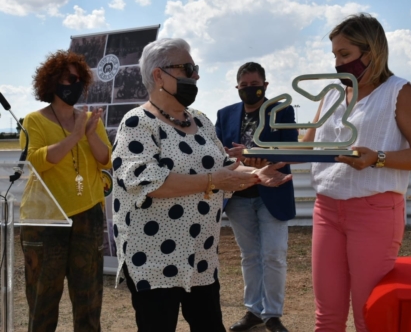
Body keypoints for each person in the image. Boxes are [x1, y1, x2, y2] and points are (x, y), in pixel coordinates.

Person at [111, 39, 292, 332]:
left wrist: (256, 174)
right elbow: (145, 180)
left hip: (200, 256)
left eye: (195, 68)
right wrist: (211, 181)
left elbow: (224, 167)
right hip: (154, 258)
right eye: (188, 68)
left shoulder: (201, 121)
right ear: (159, 75)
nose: (196, 75)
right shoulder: (137, 123)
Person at [303, 14, 411, 332]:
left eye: (345, 54)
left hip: (375, 211)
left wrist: (377, 158)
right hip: (327, 209)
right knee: (327, 316)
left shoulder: (399, 92)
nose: (337, 62)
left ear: (372, 51)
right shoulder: (333, 95)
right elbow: (307, 145)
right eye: (335, 55)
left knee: (370, 315)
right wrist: (265, 157)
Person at [20, 50, 112, 332]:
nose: (73, 84)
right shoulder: (34, 120)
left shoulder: (88, 120)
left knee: (88, 299)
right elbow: (38, 160)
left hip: (89, 216)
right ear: (51, 82)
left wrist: (91, 134)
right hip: (46, 220)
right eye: (67, 78)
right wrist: (75, 136)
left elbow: (105, 159)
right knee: (43, 299)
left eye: (78, 79)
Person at [215, 62, 298, 332]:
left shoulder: (282, 111)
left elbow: (291, 148)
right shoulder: (225, 114)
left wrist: (253, 152)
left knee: (273, 254)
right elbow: (217, 154)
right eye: (245, 86)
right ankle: (253, 311)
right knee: (250, 255)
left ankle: (272, 314)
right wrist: (237, 157)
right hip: (239, 195)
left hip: (273, 192)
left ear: (266, 85)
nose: (251, 90)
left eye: (255, 85)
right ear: (237, 88)